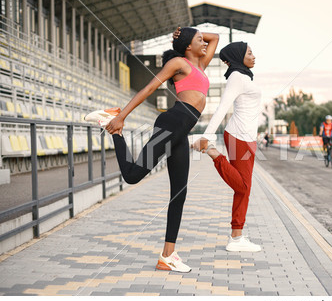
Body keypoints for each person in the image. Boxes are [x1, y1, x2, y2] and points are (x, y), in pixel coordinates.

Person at [84, 27, 219, 272]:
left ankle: (168, 256)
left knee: (179, 193)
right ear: (188, 46)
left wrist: (191, 33)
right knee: (133, 175)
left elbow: (216, 38)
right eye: (199, 40)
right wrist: (122, 116)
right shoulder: (180, 62)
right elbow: (148, 89)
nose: (204, 42)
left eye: (202, 40)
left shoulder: (201, 65)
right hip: (172, 123)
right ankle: (113, 127)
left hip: (181, 130)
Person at [192, 42, 261, 252]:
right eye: (249, 53)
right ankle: (213, 152)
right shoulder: (237, 78)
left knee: (243, 190)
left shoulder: (243, 76)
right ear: (239, 57)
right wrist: (207, 137)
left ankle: (237, 237)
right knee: (243, 187)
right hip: (239, 136)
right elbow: (223, 107)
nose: (254, 56)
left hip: (247, 137)